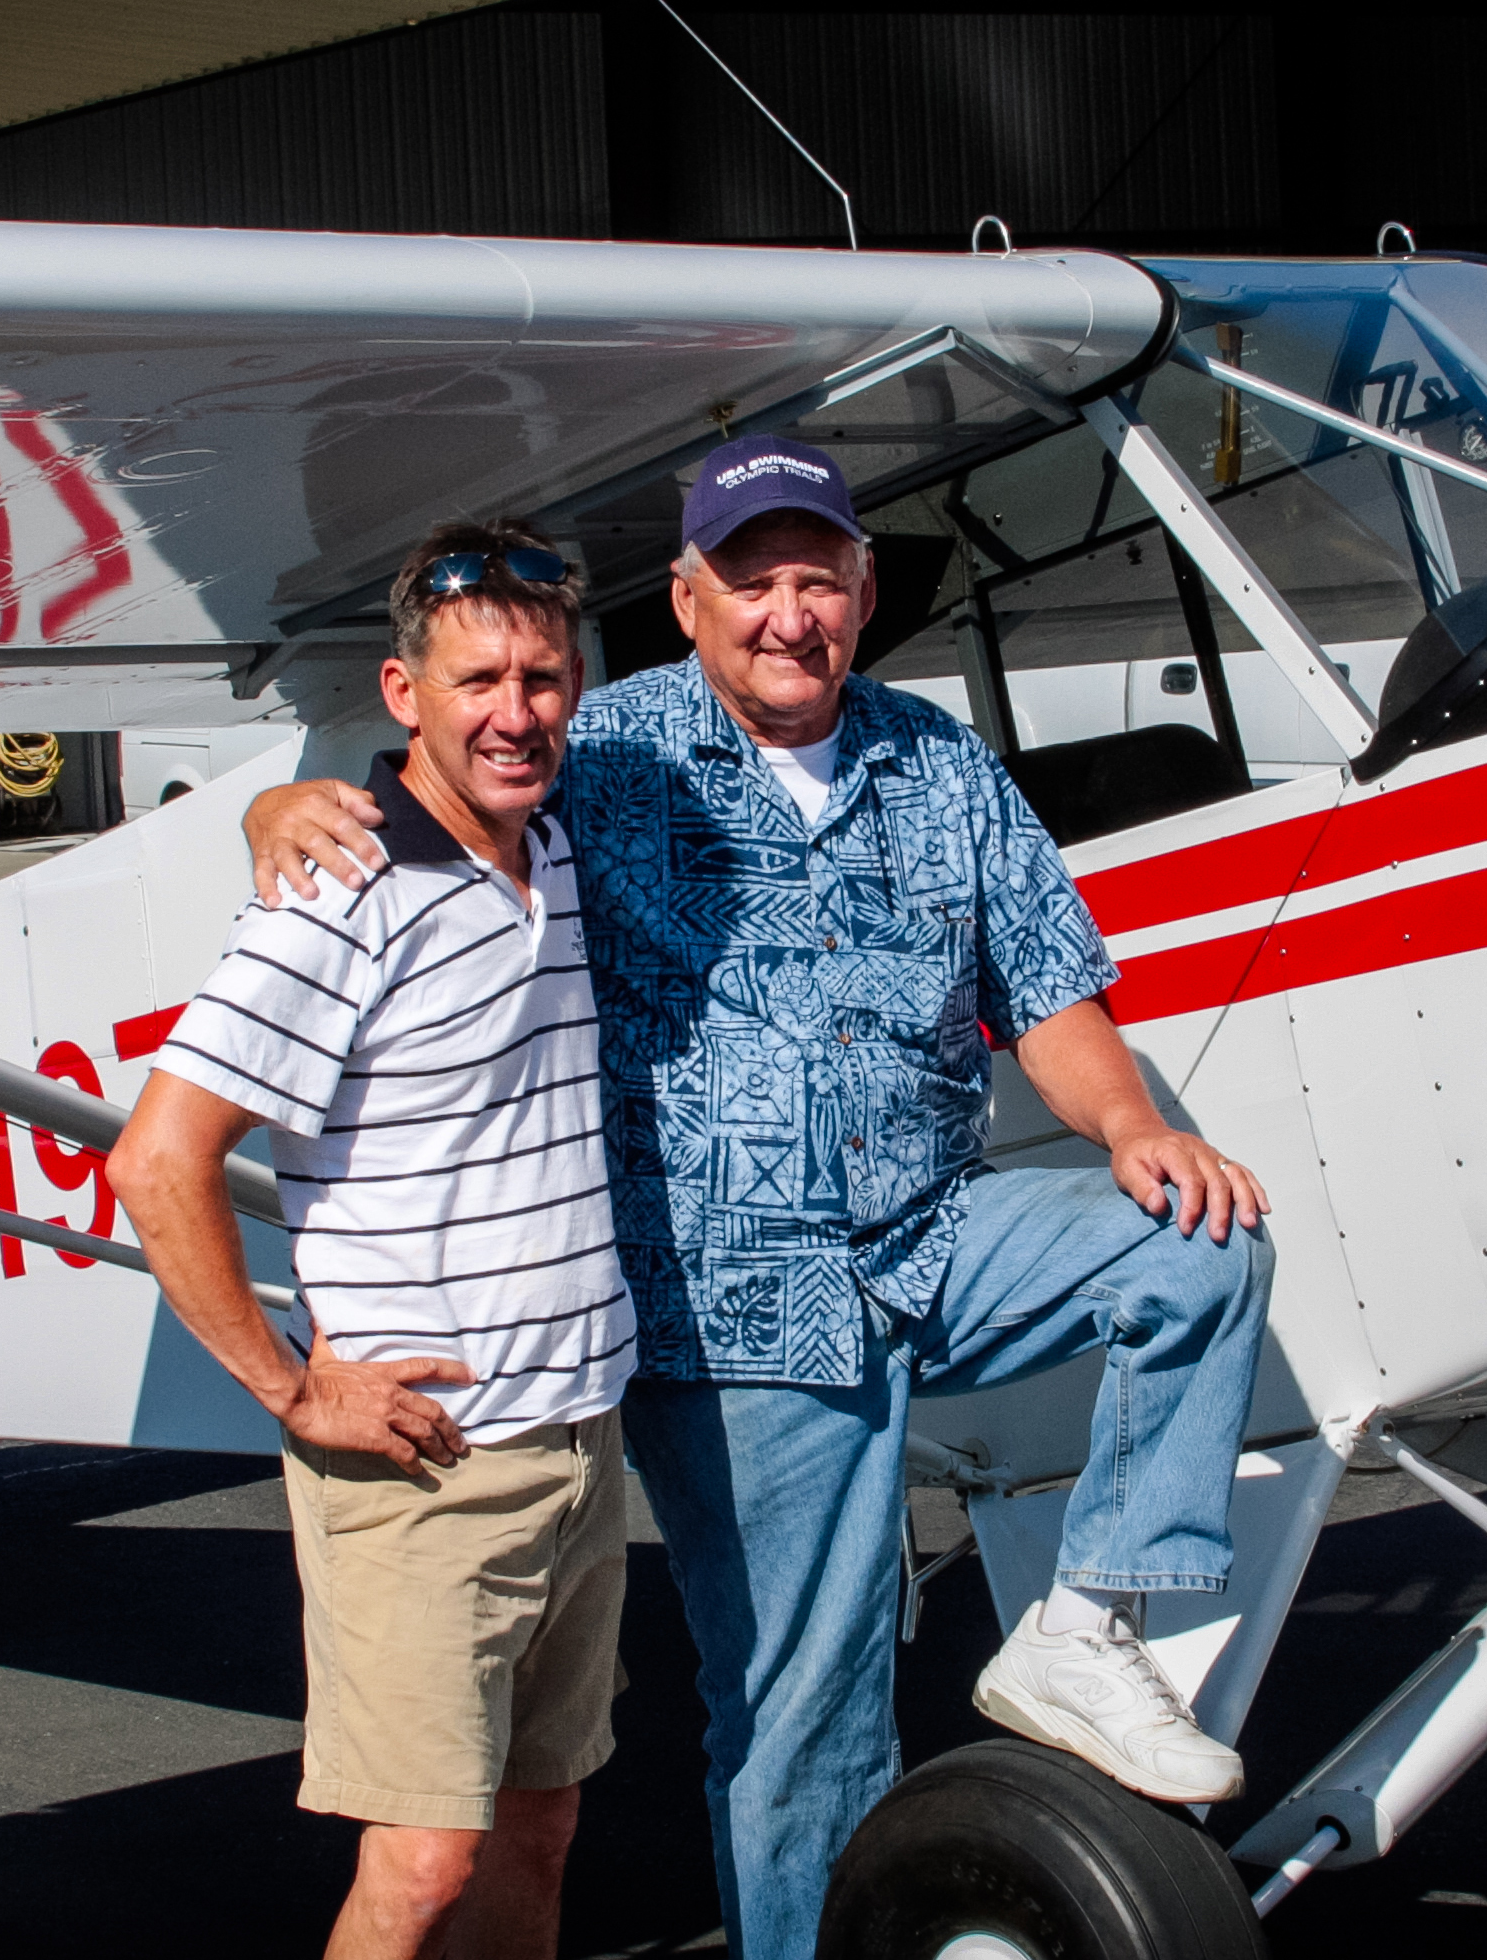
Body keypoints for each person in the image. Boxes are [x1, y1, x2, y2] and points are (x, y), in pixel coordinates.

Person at [247, 438, 1274, 1960]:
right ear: (688, 598)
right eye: (752, 581)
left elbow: (1046, 992)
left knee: (1198, 1250)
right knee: (810, 1715)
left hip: (932, 1232)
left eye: (818, 578)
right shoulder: (603, 760)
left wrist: (1131, 1126)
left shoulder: (939, 765)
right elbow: (429, 801)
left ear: (862, 591)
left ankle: (1088, 1625)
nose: (789, 613)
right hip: (732, 1311)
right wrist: (269, 813)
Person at [114, 518, 634, 1960]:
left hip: (579, 1444)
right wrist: (288, 1384)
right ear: (404, 695)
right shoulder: (340, 892)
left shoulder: (563, 851)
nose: (513, 713)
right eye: (476, 681)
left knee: (540, 1826)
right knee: (419, 1868)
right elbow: (159, 1162)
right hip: (427, 1464)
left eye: (539, 677)